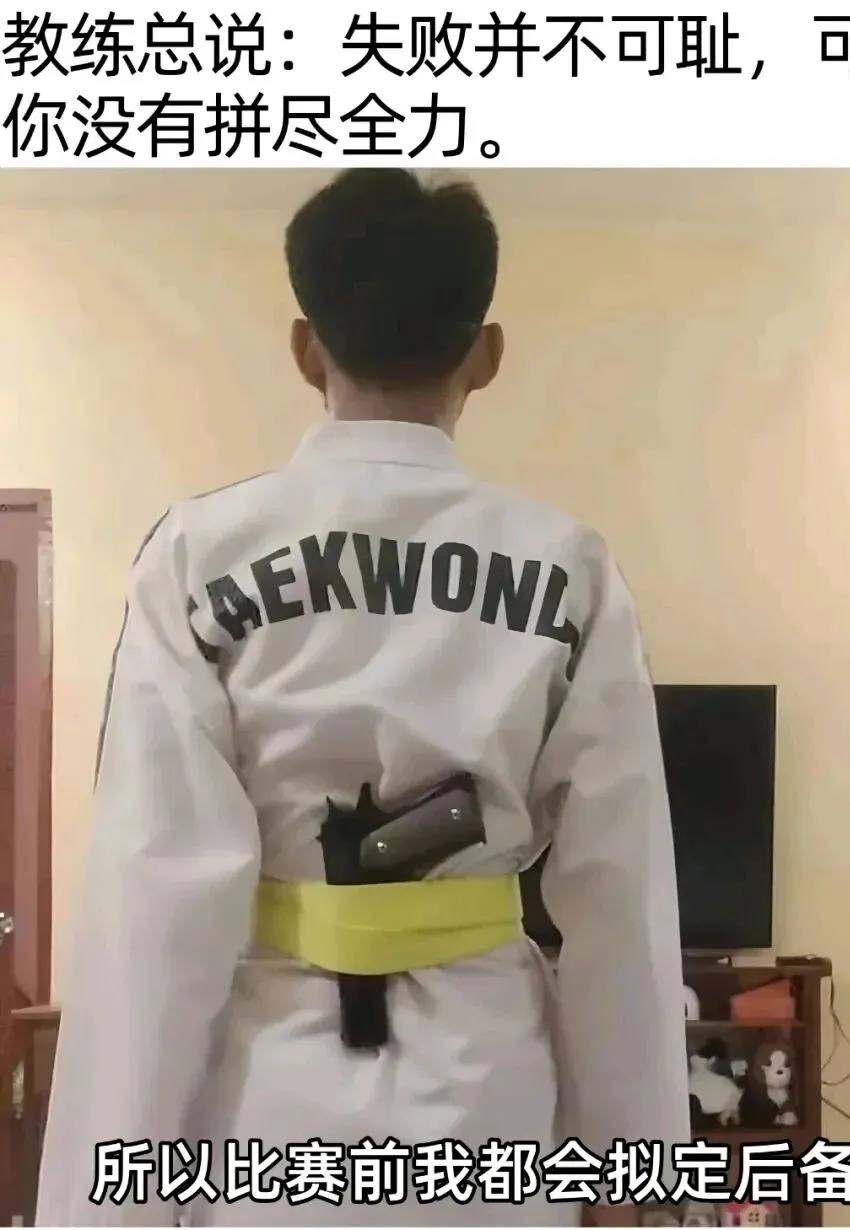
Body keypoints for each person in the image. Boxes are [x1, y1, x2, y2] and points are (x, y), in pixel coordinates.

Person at [36, 169, 689, 1227]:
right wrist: (637, 1177)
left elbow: (154, 905)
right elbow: (621, 900)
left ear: (306, 350)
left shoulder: (201, 557)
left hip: (267, 1115)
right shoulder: (568, 568)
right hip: (488, 1109)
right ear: (486, 355)